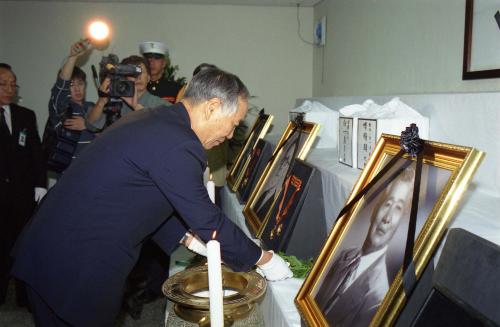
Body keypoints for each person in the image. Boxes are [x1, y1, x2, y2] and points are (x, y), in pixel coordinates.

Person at [11, 67, 292, 326]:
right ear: (212, 107)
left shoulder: (156, 120)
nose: (231, 134)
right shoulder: (180, 142)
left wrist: (186, 238)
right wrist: (263, 259)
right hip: (74, 264)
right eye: (233, 123)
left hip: (53, 250)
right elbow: (207, 217)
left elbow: (144, 193)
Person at [314, 166, 415, 327]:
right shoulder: (345, 257)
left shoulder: (378, 295)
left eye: (398, 208)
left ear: (401, 222)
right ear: (375, 209)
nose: (387, 218)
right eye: (388, 203)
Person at [0, 63, 46, 308]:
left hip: (22, 194)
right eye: (3, 84)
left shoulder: (25, 115)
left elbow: (36, 153)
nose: (9, 88)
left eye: (12, 84)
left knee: (23, 246)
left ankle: (23, 297)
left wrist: (40, 185)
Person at [43, 40, 96, 173]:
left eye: (80, 84)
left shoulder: (93, 107)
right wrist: (73, 57)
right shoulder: (62, 108)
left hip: (95, 173)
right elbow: (60, 87)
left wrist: (88, 125)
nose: (77, 89)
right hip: (69, 176)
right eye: (72, 85)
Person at [87, 55, 169, 130]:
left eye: (141, 73)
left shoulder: (161, 105)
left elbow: (169, 131)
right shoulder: (116, 101)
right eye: (133, 74)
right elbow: (91, 126)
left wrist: (137, 107)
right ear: (124, 78)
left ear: (148, 78)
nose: (138, 77)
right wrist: (101, 101)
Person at [253, 133, 299, 220]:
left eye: (287, 163)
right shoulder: (264, 193)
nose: (282, 166)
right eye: (284, 160)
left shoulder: (279, 205)